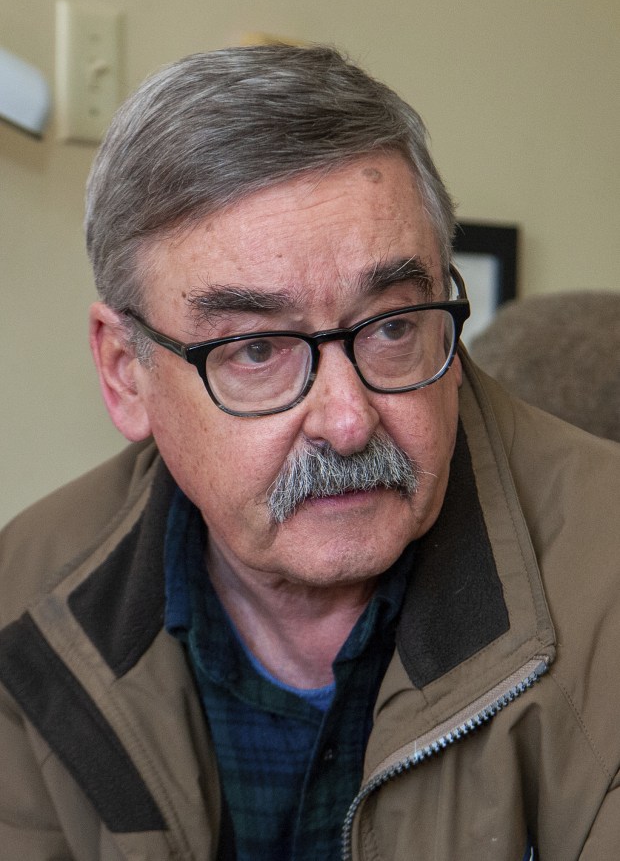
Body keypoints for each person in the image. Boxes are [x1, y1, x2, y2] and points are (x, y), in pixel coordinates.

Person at [0, 45, 618, 861]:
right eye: (257, 349)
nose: (347, 419)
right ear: (126, 373)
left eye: (394, 326)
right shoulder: (24, 600)